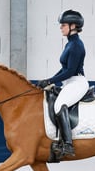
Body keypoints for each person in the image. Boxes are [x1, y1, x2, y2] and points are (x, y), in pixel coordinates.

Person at [37, 9, 89, 157]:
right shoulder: (70, 44)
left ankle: (68, 144)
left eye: (63, 25)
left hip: (77, 82)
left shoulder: (76, 45)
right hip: (70, 81)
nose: (61, 27)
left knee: (60, 105)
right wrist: (49, 80)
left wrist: (51, 80)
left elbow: (71, 71)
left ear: (73, 26)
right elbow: (64, 69)